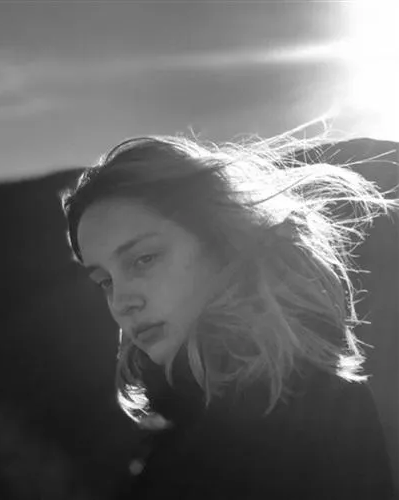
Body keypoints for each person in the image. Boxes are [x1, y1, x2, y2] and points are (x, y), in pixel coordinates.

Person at [61, 132, 397, 500]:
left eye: (143, 259)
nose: (122, 301)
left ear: (220, 243)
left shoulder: (319, 411)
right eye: (105, 281)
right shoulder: (178, 423)